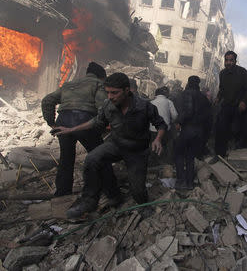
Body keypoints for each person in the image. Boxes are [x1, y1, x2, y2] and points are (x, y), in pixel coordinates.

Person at [53, 72, 167, 218]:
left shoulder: (144, 106)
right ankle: (89, 201)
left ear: (127, 91)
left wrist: (158, 139)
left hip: (136, 150)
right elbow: (96, 121)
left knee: (137, 189)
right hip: (116, 145)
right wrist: (71, 129)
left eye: (114, 93)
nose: (110, 96)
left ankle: (143, 205)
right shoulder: (108, 105)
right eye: (107, 92)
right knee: (92, 159)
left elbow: (161, 124)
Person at [41, 62, 115, 197]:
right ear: (102, 76)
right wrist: (104, 125)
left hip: (63, 123)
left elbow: (47, 100)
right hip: (84, 121)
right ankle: (111, 193)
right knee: (100, 156)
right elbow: (103, 107)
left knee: (66, 159)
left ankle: (62, 194)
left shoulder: (68, 85)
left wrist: (52, 123)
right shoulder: (98, 84)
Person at [209, 51, 247, 164]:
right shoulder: (222, 73)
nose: (228, 63)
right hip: (227, 106)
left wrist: (244, 101)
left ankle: (239, 156)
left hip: (239, 107)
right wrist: (218, 98)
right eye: (227, 60)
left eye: (231, 60)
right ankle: (219, 155)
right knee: (220, 129)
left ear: (235, 61)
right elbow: (222, 89)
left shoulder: (242, 72)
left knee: (240, 130)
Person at [174, 76, 212, 189]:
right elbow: (208, 117)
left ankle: (181, 181)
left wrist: (178, 122)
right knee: (190, 157)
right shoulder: (203, 97)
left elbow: (187, 112)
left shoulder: (186, 94)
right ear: (198, 84)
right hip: (199, 132)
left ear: (188, 83)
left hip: (187, 129)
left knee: (179, 155)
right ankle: (190, 183)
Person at [150, 86, 178, 163]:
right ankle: (165, 161)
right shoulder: (169, 102)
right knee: (166, 145)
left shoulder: (151, 102)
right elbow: (175, 115)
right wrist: (171, 120)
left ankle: (154, 162)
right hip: (165, 129)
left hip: (153, 129)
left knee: (154, 145)